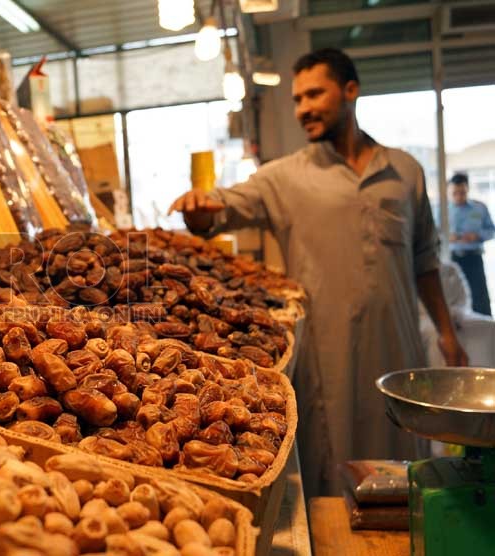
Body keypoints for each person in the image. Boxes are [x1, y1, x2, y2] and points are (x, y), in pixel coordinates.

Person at [168, 48, 467, 497]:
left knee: (405, 461)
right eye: (297, 99)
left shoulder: (404, 171)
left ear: (350, 91)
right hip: (327, 357)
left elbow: (425, 258)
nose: (303, 108)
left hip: (398, 343)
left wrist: (446, 332)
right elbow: (222, 209)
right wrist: (199, 211)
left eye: (314, 94)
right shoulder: (283, 178)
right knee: (333, 469)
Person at [448, 172, 494, 316]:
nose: (458, 196)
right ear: (449, 191)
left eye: (462, 192)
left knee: (480, 301)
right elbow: (434, 234)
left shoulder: (480, 208)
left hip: (474, 259)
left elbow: (492, 231)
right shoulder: (441, 210)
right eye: (455, 193)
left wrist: (478, 235)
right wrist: (448, 237)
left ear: (467, 189)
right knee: (455, 300)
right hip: (453, 259)